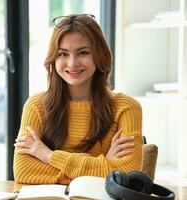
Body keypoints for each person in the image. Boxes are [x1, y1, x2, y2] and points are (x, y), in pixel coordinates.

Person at [13, 14, 143, 190]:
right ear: (54, 58)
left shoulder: (127, 108)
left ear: (99, 55)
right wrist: (105, 167)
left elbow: (127, 173)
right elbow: (24, 170)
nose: (72, 63)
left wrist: (47, 155)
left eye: (83, 52)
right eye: (63, 54)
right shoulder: (36, 105)